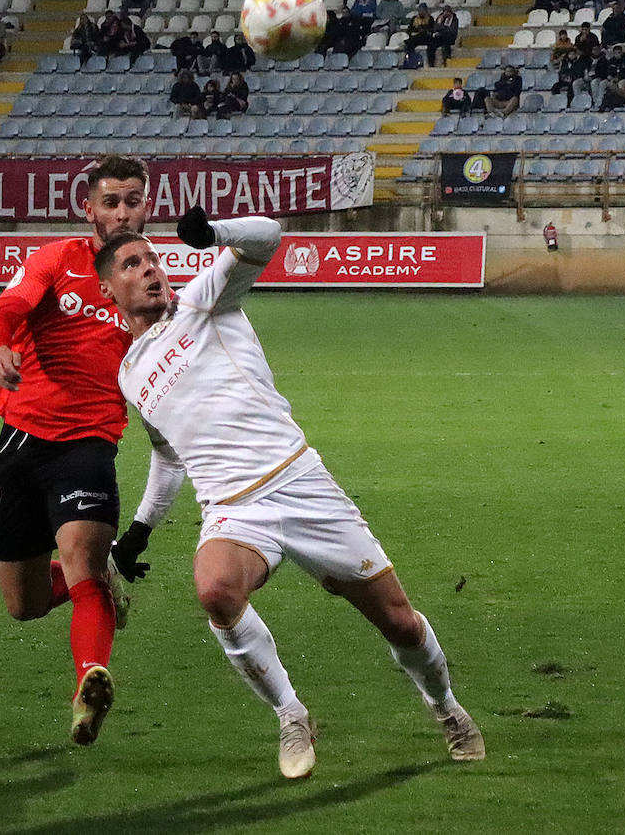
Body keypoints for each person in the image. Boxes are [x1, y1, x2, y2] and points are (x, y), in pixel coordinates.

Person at [96, 212, 486, 779]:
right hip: (233, 509)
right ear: (109, 289)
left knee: (399, 622)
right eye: (134, 264)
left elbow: (269, 235)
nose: (152, 269)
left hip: (299, 484)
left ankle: (445, 707)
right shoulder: (131, 374)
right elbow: (167, 454)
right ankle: (292, 713)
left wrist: (216, 235)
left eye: (154, 259)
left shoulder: (204, 302)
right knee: (215, 591)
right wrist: (139, 530)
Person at [0, 155, 150, 746]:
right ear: (90, 209)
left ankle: (88, 685)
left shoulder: (149, 277)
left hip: (90, 442)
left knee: (79, 555)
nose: (123, 212)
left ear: (147, 206)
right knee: (23, 604)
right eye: (112, 202)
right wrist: (0, 347)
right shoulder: (56, 259)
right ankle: (98, 586)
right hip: (22, 439)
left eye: (133, 201)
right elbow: (8, 310)